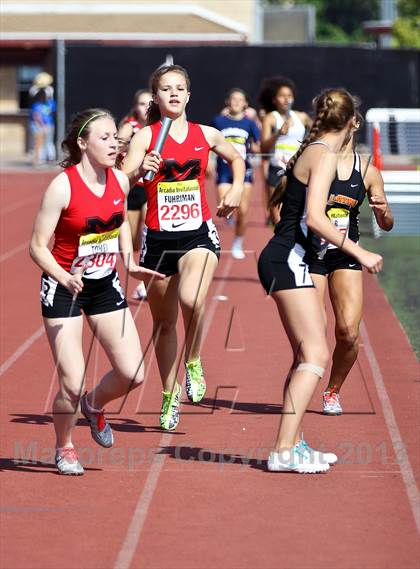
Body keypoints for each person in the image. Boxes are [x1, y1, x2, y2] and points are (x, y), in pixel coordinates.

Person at [29, 109, 165, 475]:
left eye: (115, 138)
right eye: (105, 137)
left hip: (103, 283)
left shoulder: (119, 181)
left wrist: (129, 261)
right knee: (70, 382)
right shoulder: (62, 186)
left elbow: (117, 220)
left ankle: (94, 404)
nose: (114, 143)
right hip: (63, 286)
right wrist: (63, 276)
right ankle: (65, 446)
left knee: (133, 374)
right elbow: (37, 247)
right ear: (82, 143)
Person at [257, 88, 383, 474]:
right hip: (289, 258)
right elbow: (315, 218)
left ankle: (293, 442)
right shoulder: (325, 155)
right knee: (315, 355)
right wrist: (360, 252)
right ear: (350, 123)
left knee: (305, 354)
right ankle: (282, 451)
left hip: (285, 257)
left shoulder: (314, 150)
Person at [122, 64, 245, 431]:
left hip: (198, 234)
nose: (174, 94)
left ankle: (193, 359)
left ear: (189, 95)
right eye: (166, 89)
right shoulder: (145, 137)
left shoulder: (205, 134)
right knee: (163, 323)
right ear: (156, 98)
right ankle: (169, 394)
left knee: (191, 299)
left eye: (180, 88)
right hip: (158, 239)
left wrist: (236, 188)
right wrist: (138, 167)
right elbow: (122, 178)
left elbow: (237, 158)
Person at [308, 123, 394, 415]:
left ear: (355, 123)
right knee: (313, 333)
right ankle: (300, 388)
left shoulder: (367, 170)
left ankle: (332, 391)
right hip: (313, 253)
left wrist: (383, 211)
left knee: (348, 333)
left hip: (346, 253)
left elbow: (387, 223)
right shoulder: (314, 161)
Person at [212, 88, 260, 259]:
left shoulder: (249, 123)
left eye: (241, 100)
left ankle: (238, 242)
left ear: (246, 104)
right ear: (228, 102)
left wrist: (255, 149)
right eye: (234, 99)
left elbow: (258, 144)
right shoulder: (218, 121)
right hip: (224, 170)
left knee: (244, 210)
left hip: (244, 171)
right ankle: (229, 217)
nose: (237, 102)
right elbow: (209, 143)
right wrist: (210, 161)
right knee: (223, 202)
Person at [259, 76, 312, 224]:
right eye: (282, 96)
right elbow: (263, 147)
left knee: (298, 210)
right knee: (276, 213)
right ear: (275, 99)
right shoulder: (271, 118)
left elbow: (318, 133)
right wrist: (278, 133)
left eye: (289, 96)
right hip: (277, 168)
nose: (286, 99)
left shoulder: (302, 117)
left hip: (298, 168)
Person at [118, 89, 153, 299]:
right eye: (141, 103)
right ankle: (126, 275)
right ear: (135, 106)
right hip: (132, 188)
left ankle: (144, 284)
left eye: (149, 103)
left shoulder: (161, 126)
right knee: (130, 238)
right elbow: (115, 149)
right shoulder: (129, 126)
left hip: (151, 188)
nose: (145, 108)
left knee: (149, 232)